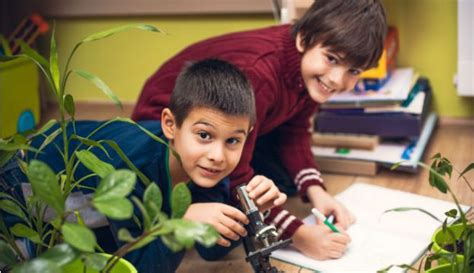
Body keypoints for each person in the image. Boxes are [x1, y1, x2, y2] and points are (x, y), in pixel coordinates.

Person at [132, 0, 387, 260]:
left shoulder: (311, 75)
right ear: (303, 39)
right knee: (227, 222)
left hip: (227, 128)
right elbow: (238, 170)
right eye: (331, 59)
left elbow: (295, 129)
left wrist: (316, 191)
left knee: (282, 184)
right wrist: (298, 235)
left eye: (353, 71)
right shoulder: (260, 74)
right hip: (165, 128)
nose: (336, 79)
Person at [0, 59, 286, 272]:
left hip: (77, 190)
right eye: (204, 135)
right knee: (36, 255)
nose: (218, 155)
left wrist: (248, 214)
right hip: (18, 178)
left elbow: (209, 249)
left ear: (247, 136)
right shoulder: (127, 170)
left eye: (233, 141)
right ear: (171, 125)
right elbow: (137, 267)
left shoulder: (206, 166)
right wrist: (178, 224)